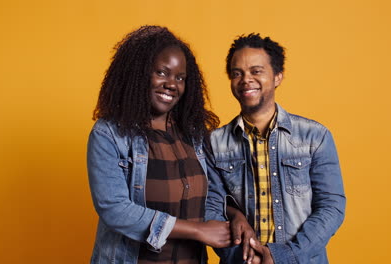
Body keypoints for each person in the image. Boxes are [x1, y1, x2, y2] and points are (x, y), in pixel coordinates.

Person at [87, 25, 231, 264]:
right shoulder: (109, 134)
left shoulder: (193, 135)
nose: (171, 84)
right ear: (139, 73)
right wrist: (197, 230)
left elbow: (210, 197)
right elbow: (114, 208)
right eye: (162, 73)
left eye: (180, 77)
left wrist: (234, 218)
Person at [205, 33, 346, 264]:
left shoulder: (315, 136)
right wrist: (247, 258)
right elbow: (210, 208)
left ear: (278, 76)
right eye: (237, 73)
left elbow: (331, 208)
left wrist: (283, 256)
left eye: (256, 71)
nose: (245, 80)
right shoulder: (213, 143)